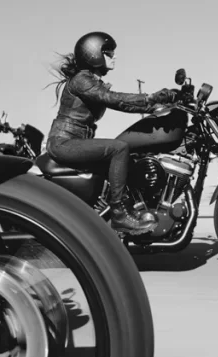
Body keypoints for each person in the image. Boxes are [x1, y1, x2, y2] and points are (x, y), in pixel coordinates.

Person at [46, 31, 180, 235]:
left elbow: (122, 104)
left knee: (130, 160)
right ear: (94, 55)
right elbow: (112, 99)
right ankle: (119, 215)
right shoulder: (82, 79)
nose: (114, 56)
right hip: (64, 143)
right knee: (119, 148)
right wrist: (150, 98)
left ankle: (130, 210)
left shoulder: (91, 80)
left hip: (74, 141)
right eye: (109, 52)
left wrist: (159, 104)